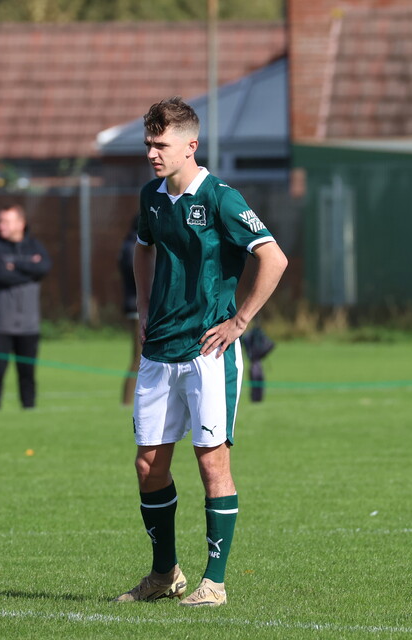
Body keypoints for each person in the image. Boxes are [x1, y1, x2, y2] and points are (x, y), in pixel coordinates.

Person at [113, 97, 288, 607]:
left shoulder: (220, 198)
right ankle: (165, 574)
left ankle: (214, 582)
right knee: (148, 464)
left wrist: (240, 320)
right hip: (158, 349)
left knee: (212, 463)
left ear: (191, 145)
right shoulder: (151, 196)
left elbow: (274, 258)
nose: (152, 153)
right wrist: (143, 308)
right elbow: (143, 247)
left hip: (207, 353)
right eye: (148, 143)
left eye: (160, 144)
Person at [0, 204, 51, 409]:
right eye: (0, 221)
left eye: (6, 221)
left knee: (27, 374)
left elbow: (44, 267)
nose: (1, 226)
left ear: (20, 224)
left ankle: (28, 410)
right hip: (1, 323)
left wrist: (17, 265)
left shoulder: (35, 246)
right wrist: (30, 270)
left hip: (29, 324)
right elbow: (1, 275)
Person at [119, 215, 141, 406]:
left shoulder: (130, 244)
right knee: (139, 357)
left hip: (138, 306)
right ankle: (126, 402)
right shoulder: (133, 247)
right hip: (138, 308)